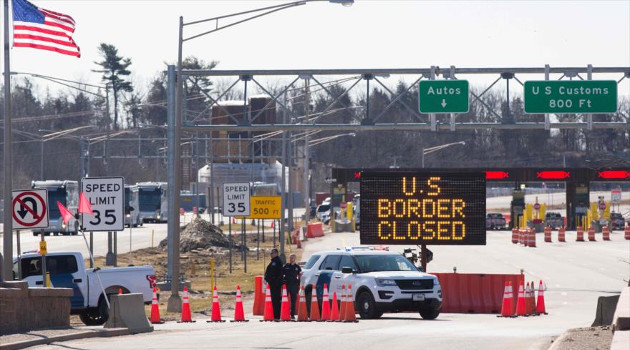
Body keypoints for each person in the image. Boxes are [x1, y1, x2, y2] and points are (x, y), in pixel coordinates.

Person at [264, 248, 284, 320]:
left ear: (276, 253)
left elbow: (280, 273)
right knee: (273, 299)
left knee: (276, 300)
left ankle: (277, 315)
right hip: (272, 284)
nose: (271, 254)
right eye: (270, 253)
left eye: (272, 253)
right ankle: (274, 314)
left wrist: (275, 282)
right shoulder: (273, 262)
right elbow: (269, 271)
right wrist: (266, 278)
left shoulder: (278, 262)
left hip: (276, 285)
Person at [283, 253, 302, 319]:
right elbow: (282, 274)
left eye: (292, 258)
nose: (291, 259)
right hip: (287, 285)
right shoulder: (286, 266)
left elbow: (300, 275)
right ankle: (284, 313)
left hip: (294, 285)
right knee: (284, 299)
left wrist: (298, 283)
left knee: (293, 301)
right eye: (290, 258)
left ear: (295, 258)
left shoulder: (297, 267)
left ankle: (292, 314)